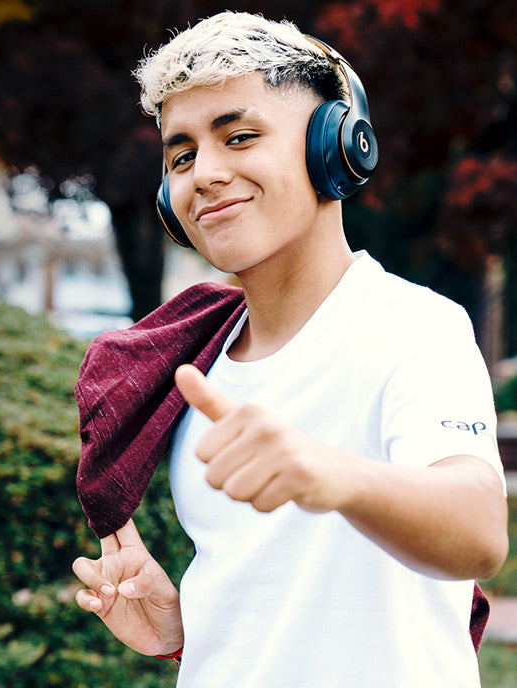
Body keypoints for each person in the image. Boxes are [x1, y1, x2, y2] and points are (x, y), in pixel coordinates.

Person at [71, 11, 508, 687]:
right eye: (181, 156)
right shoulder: (199, 364)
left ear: (333, 148)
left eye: (238, 136)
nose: (205, 173)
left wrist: (329, 474)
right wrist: (188, 629)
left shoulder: (411, 326)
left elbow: (476, 529)